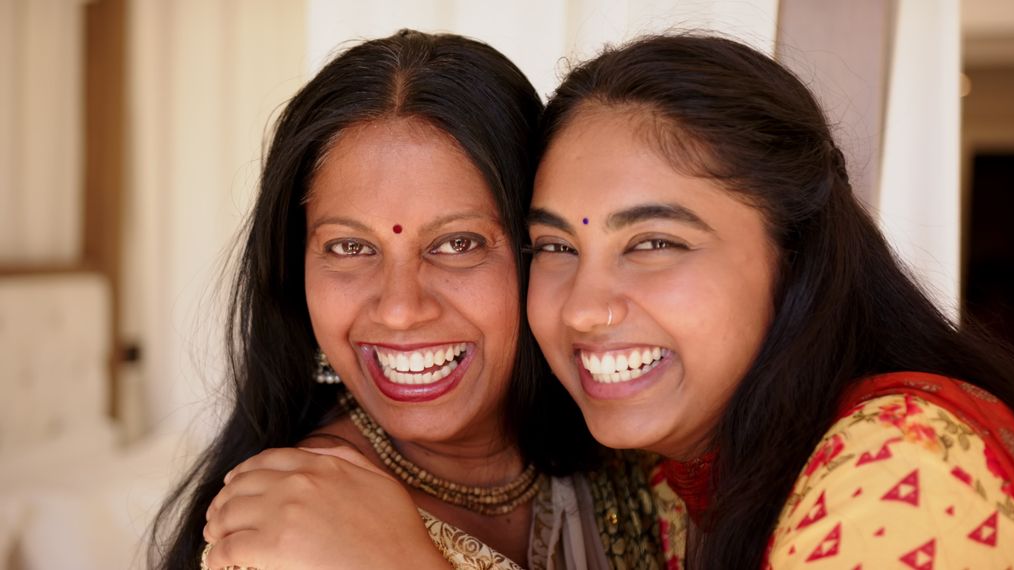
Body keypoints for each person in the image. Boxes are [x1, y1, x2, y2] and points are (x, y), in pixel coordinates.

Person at [526, 33, 1014, 569]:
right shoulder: (674, 479)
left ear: (794, 254)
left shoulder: (896, 470)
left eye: (655, 243)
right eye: (555, 246)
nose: (582, 308)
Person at [152, 30, 664, 570]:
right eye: (350, 247)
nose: (399, 308)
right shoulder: (282, 537)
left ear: (543, 249)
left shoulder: (636, 451)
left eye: (457, 244)